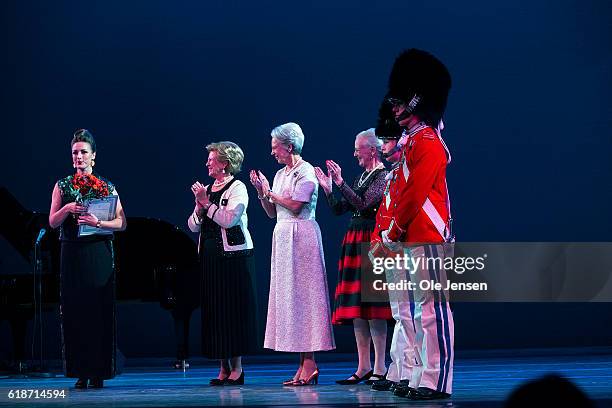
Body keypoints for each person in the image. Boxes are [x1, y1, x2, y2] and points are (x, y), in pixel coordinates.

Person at [374, 49, 455, 401]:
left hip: (428, 236)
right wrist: (390, 234)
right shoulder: (413, 144)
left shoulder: (429, 144)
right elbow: (400, 198)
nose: (394, 109)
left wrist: (391, 234)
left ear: (416, 100)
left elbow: (414, 197)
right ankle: (416, 373)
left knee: (432, 311)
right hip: (409, 238)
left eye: (399, 101)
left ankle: (436, 379)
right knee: (411, 312)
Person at [249, 122, 335, 386]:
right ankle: (303, 365)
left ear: (289, 146)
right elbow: (271, 212)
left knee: (306, 298)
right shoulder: (280, 174)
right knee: (291, 300)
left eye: (276, 148)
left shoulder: (306, 171)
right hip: (284, 236)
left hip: (303, 236)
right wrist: (262, 193)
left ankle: (310, 363)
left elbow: (297, 206)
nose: (272, 152)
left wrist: (271, 194)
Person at [48, 129, 127, 389]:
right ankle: (80, 371)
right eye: (75, 153)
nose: (79, 156)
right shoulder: (62, 185)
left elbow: (121, 223)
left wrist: (98, 222)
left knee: (98, 313)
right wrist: (67, 208)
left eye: (83, 152)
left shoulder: (106, 185)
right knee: (75, 313)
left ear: (93, 156)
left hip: (98, 253)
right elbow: (52, 222)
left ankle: (99, 371)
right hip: (72, 253)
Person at [314, 128, 391, 385]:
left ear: (372, 149)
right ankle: (363, 366)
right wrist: (328, 189)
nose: (354, 153)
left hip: (372, 241)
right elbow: (339, 208)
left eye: (358, 148)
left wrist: (340, 182)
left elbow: (363, 203)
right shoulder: (361, 176)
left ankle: (380, 366)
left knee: (375, 309)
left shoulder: (383, 176)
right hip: (354, 239)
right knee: (358, 309)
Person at [187, 141, 258, 386]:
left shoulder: (237, 187)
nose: (207, 162)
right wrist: (199, 207)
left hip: (232, 259)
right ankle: (222, 367)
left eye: (212, 158)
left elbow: (230, 220)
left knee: (231, 311)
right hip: (210, 259)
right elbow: (193, 226)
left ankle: (237, 368)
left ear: (225, 163)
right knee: (216, 312)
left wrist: (207, 204)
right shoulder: (207, 188)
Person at [368, 103, 415, 394]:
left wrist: (388, 238)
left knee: (410, 314)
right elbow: (382, 214)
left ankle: (410, 371)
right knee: (399, 314)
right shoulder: (393, 175)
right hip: (388, 247)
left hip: (402, 245)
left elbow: (402, 211)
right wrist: (376, 243)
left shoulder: (403, 174)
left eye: (387, 140)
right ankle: (398, 370)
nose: (383, 146)